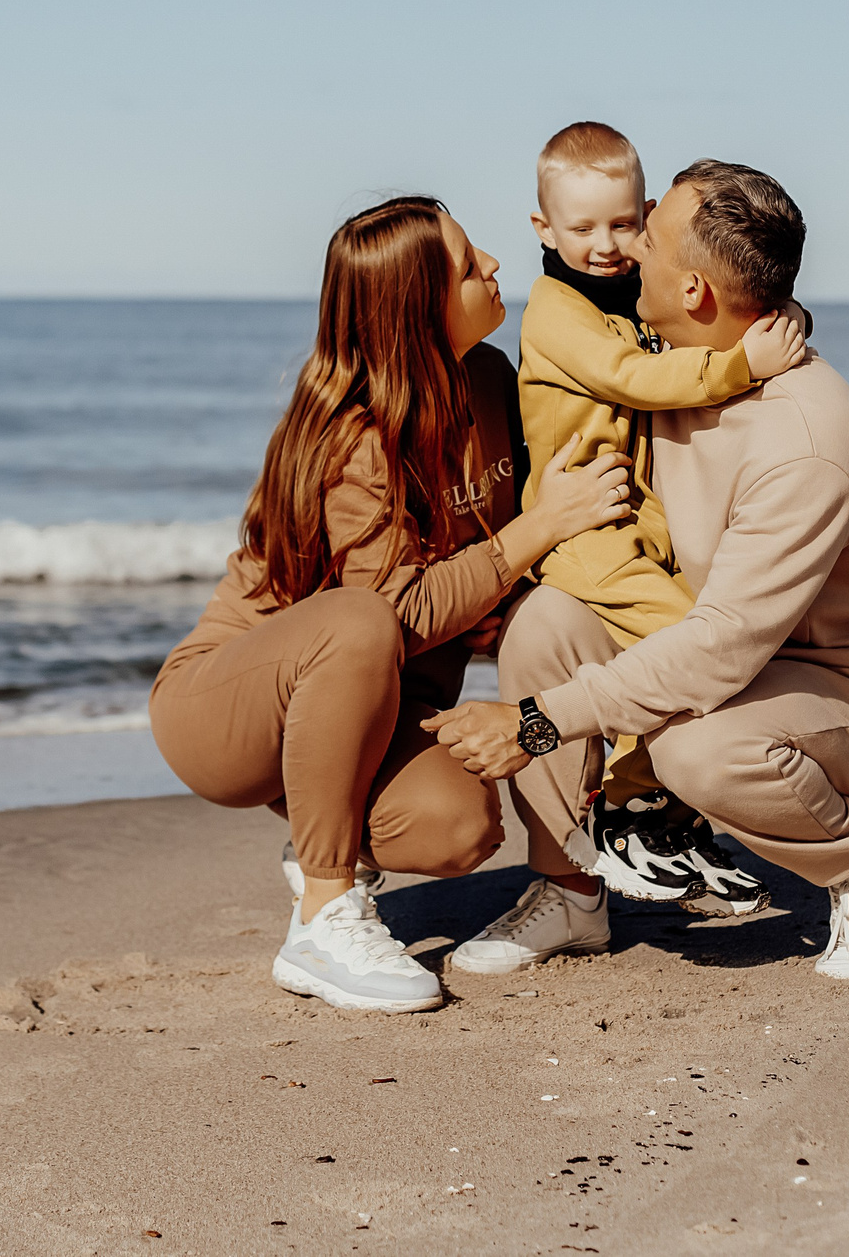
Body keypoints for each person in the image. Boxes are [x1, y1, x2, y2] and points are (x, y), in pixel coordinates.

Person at [428, 161, 849, 982]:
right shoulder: (677, 354)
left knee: (693, 748)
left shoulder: (805, 444)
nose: (627, 250)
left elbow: (721, 650)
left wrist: (536, 722)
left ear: (694, 291)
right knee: (546, 622)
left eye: (646, 238)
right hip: (711, 638)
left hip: (846, 690)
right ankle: (570, 889)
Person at [149, 195, 634, 1014]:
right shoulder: (353, 436)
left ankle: (337, 840)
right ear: (419, 307)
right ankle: (324, 912)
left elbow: (499, 575)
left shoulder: (487, 379)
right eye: (467, 260)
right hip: (224, 711)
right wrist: (538, 525)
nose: (493, 264)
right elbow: (396, 614)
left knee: (461, 823)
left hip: (371, 706)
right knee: (362, 618)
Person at [514, 121, 805, 917]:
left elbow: (693, 318)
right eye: (581, 228)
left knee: (690, 649)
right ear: (544, 230)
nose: (606, 244)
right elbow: (634, 376)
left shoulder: (625, 295)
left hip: (638, 528)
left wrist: (774, 316)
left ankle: (668, 820)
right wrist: (744, 364)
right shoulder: (554, 310)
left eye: (621, 224)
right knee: (685, 646)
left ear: (645, 217)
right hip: (583, 533)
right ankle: (626, 805)